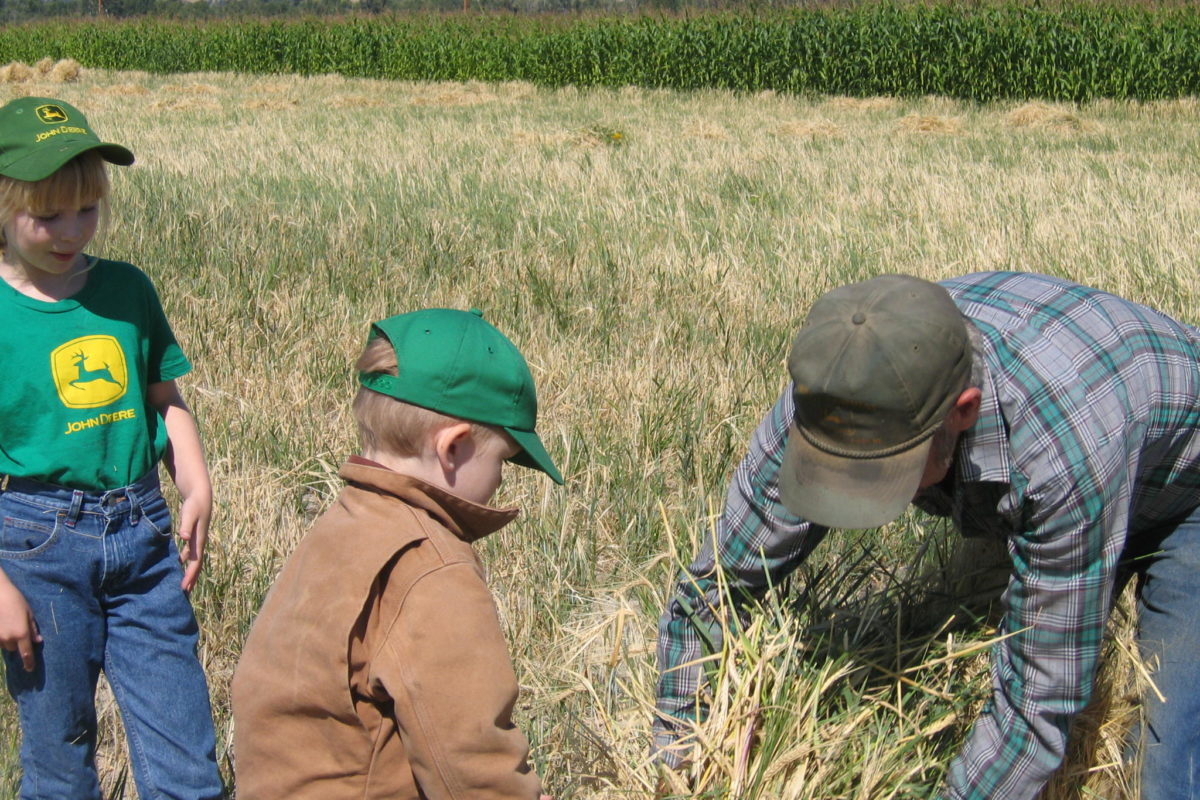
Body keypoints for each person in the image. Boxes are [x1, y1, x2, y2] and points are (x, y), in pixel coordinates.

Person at [655, 272, 1200, 799]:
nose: (852, 491)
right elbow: (713, 592)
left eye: (880, 472)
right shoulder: (840, 385)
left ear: (963, 412)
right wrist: (680, 765)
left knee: (1162, 766)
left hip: (1182, 492)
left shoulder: (1058, 450)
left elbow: (1036, 708)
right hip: (1086, 440)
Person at [232, 308, 564, 800]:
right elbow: (469, 759)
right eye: (504, 461)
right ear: (453, 447)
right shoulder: (432, 567)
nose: (499, 480)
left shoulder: (342, 524)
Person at [0, 97, 222, 798]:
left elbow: (164, 398)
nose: (72, 231)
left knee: (187, 759)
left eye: (87, 209)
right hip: (38, 549)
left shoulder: (126, 289)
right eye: (48, 216)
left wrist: (195, 481)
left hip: (144, 535)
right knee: (59, 760)